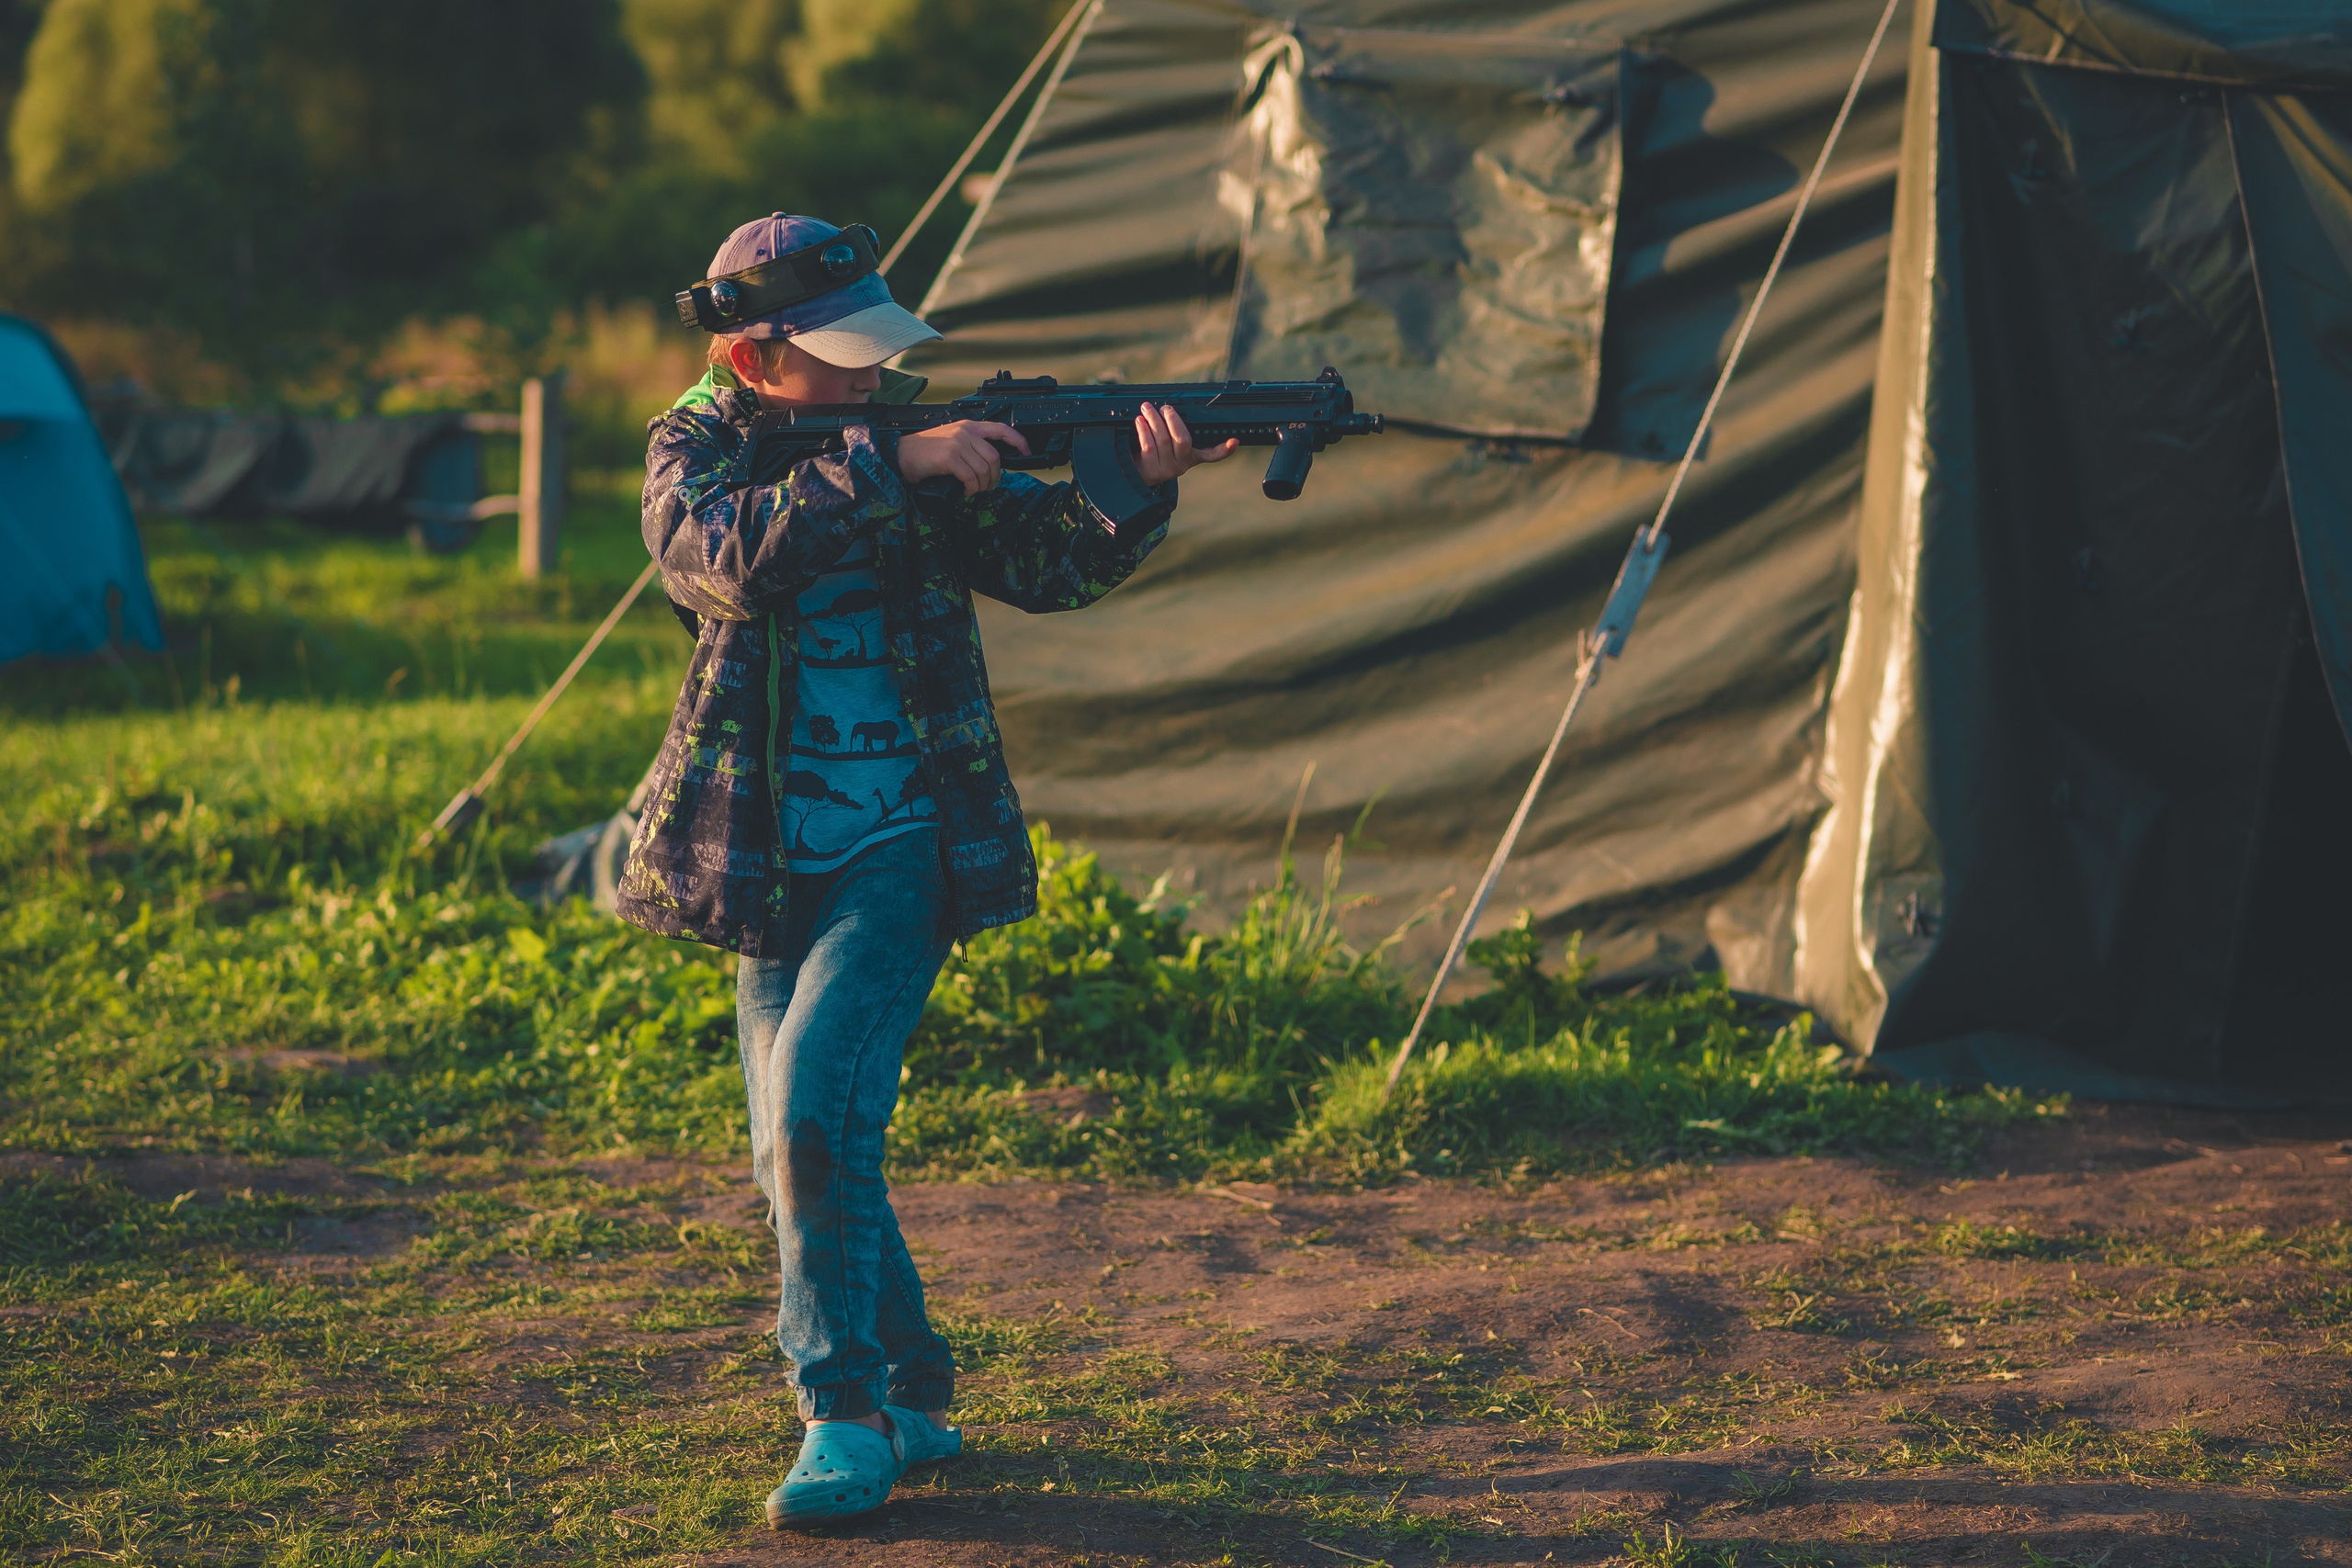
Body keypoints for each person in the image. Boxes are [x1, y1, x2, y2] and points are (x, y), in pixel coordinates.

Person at [615, 213, 1236, 1527]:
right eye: (841, 362)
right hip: (771, 856)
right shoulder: (701, 449)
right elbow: (716, 563)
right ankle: (914, 1391)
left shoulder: (912, 445)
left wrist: (1138, 486)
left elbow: (1049, 566)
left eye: (877, 359)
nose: (871, 381)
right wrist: (891, 466)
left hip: (908, 843)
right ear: (750, 359)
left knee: (809, 1121)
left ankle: (839, 1415)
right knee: (803, 1136)